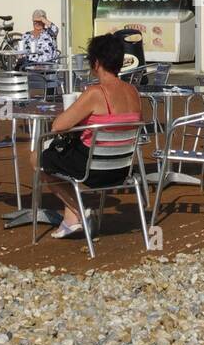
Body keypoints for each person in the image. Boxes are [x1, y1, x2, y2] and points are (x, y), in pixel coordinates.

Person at [38, 33, 142, 239]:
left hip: (92, 170)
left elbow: (58, 125)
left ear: (96, 62)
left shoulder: (96, 93)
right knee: (59, 155)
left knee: (39, 158)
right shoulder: (133, 93)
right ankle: (70, 219)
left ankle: (77, 212)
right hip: (122, 169)